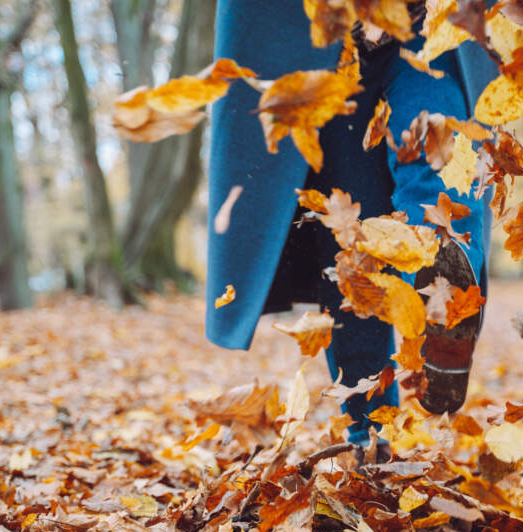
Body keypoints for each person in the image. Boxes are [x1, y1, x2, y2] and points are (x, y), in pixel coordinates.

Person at [206, 1, 499, 446]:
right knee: (413, 168)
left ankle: (372, 428)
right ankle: (441, 263)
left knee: (357, 227)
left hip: (370, 25)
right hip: (374, 27)